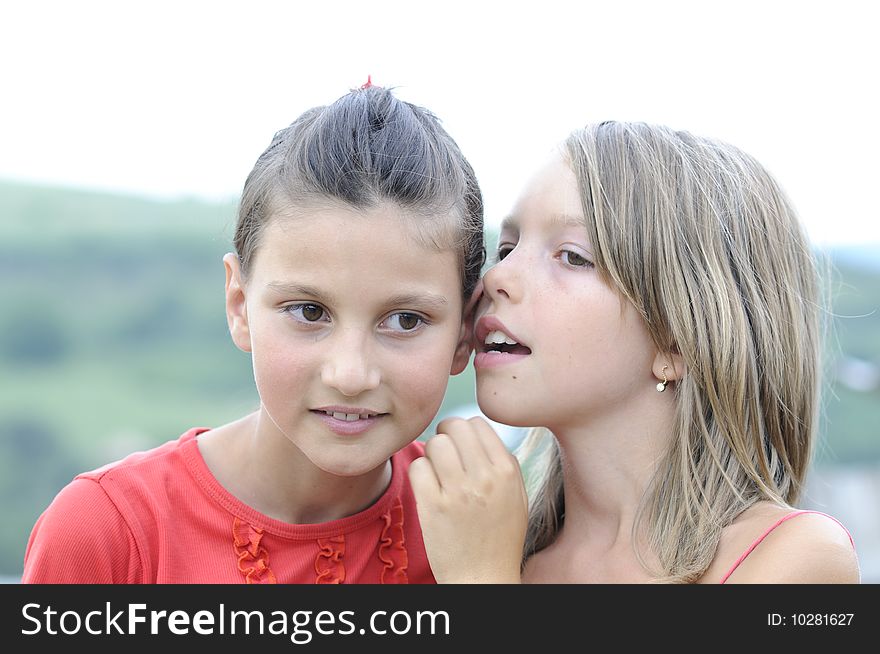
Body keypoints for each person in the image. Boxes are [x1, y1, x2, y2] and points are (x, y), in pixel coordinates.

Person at [22, 82, 485, 583]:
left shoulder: (483, 528)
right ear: (239, 304)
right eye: (309, 311)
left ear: (464, 333)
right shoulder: (107, 532)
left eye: (405, 321)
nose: (351, 375)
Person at [409, 120, 861, 583]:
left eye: (572, 256)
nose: (497, 277)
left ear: (677, 341)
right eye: (506, 248)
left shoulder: (793, 557)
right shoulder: (499, 549)